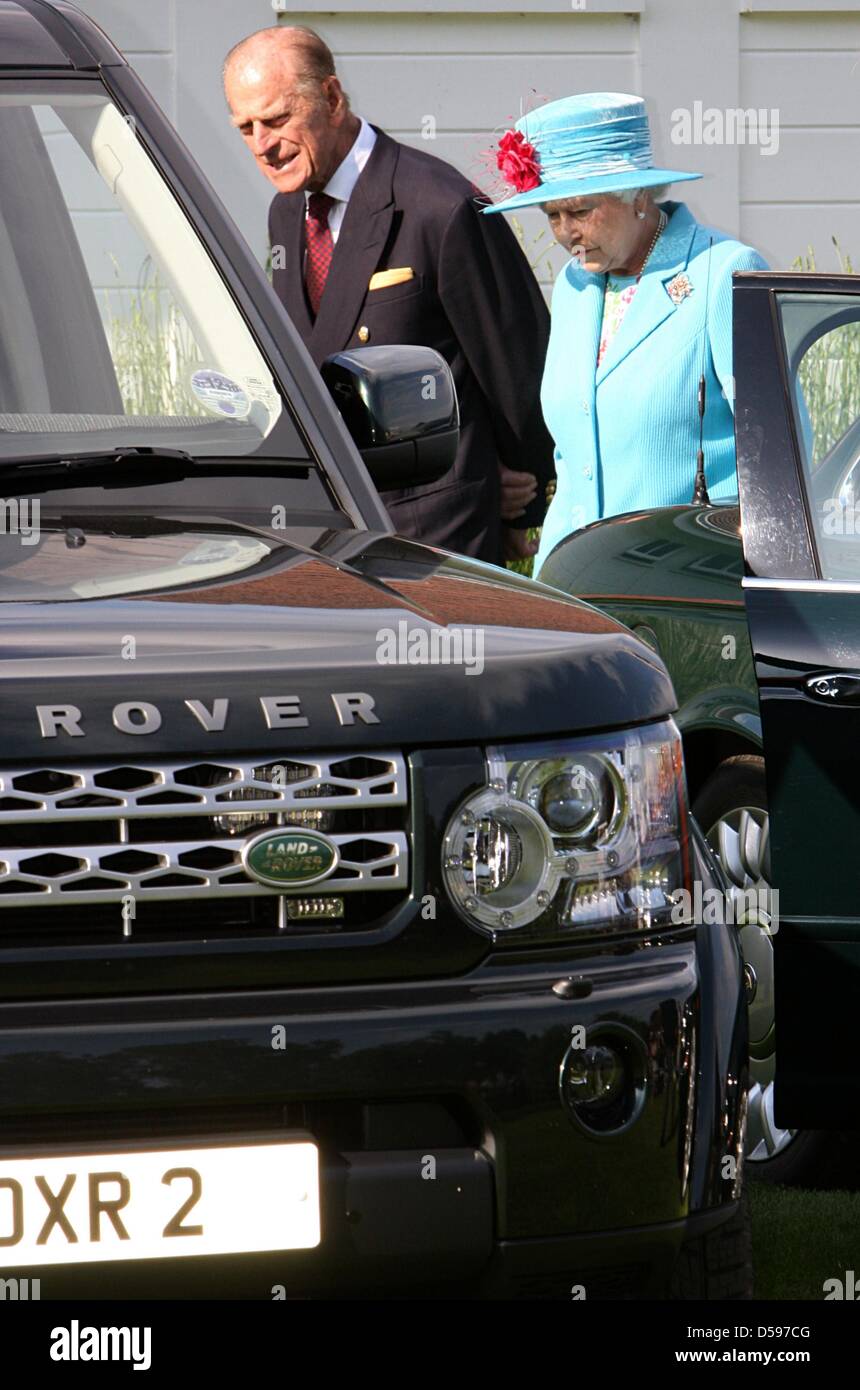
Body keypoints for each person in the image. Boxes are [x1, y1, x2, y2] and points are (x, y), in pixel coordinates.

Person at [223, 25, 555, 565]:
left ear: (331, 98)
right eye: (246, 127)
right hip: (327, 535)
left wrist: (524, 501)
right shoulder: (286, 213)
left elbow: (517, 363)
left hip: (433, 543)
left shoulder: (438, 205)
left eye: (278, 119)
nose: (263, 144)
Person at [483, 92, 769, 577]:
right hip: (573, 583)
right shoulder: (576, 287)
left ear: (638, 196)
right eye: (552, 215)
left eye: (579, 211)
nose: (565, 232)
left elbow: (774, 455)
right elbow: (571, 453)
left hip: (685, 590)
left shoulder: (723, 275)